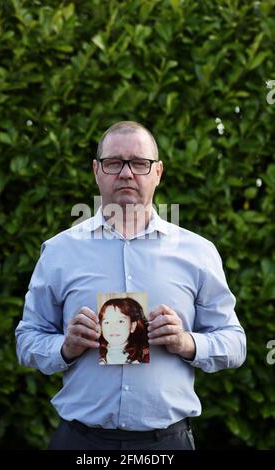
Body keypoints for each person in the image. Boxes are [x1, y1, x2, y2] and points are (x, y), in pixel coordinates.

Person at [15, 120, 246, 451]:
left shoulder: (198, 252)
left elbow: (235, 343)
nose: (126, 173)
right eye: (113, 163)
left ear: (158, 172)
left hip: (167, 443)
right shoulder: (59, 252)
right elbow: (27, 339)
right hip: (80, 442)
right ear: (97, 171)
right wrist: (64, 348)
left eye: (139, 163)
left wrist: (187, 343)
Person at [98, 297, 149, 365]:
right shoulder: (96, 354)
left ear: (132, 326)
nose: (113, 328)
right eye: (107, 322)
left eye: (120, 321)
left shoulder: (143, 356)